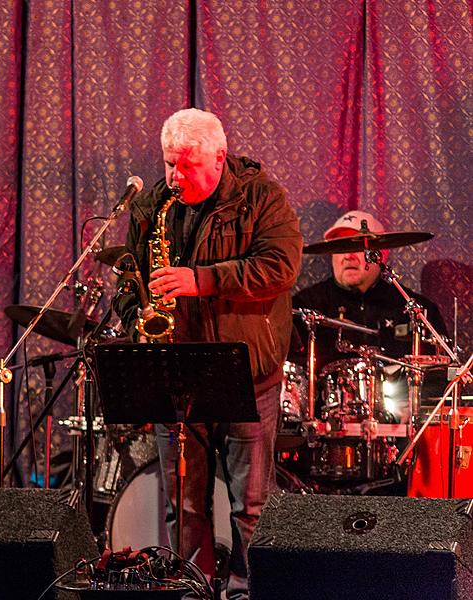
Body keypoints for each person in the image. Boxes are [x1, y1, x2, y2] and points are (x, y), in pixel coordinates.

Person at [113, 108, 302, 598]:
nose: (175, 176)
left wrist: (201, 280)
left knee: (252, 504)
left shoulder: (262, 196)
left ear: (219, 158)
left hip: (247, 369)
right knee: (183, 502)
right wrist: (138, 317)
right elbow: (129, 279)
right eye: (169, 164)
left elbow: (280, 267)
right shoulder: (153, 203)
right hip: (176, 372)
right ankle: (192, 589)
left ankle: (245, 592)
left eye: (186, 165)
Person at [290, 210, 448, 425]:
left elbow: (440, 370)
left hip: (398, 427)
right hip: (326, 426)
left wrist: (416, 404)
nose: (348, 255)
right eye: (340, 247)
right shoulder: (306, 305)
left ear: (381, 253)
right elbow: (291, 372)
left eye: (356, 247)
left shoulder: (415, 308)